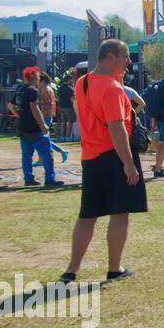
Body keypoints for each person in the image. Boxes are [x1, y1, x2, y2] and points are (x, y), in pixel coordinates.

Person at [61, 39, 146, 283]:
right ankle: (114, 268)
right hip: (113, 156)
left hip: (90, 157)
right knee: (120, 213)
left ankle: (71, 270)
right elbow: (117, 128)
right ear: (110, 57)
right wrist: (128, 164)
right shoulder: (113, 88)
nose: (128, 62)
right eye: (125, 57)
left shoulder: (82, 82)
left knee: (87, 215)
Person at [9, 67, 63, 187]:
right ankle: (50, 179)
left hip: (22, 127)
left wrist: (19, 115)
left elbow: (10, 105)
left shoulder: (20, 89)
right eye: (38, 76)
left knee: (27, 155)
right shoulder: (33, 91)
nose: (39, 78)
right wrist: (43, 124)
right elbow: (35, 108)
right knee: (47, 153)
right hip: (34, 128)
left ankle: (28, 178)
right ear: (34, 77)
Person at [36, 72, 70, 164]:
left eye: (38, 80)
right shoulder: (47, 89)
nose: (37, 82)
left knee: (41, 139)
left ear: (42, 81)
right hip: (46, 116)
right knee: (44, 139)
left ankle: (43, 158)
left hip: (45, 116)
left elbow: (48, 103)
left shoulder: (46, 90)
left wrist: (37, 105)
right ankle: (61, 152)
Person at [56, 74, 75, 141]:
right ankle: (68, 137)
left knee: (63, 122)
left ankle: (62, 137)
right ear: (69, 80)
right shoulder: (70, 88)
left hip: (61, 107)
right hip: (68, 107)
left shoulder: (60, 88)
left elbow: (58, 97)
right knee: (70, 122)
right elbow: (72, 99)